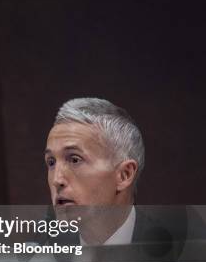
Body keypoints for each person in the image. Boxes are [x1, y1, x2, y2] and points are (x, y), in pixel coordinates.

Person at [44, 97, 186, 250]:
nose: (57, 180)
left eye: (75, 160)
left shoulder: (178, 253)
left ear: (124, 175)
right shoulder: (39, 254)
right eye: (51, 162)